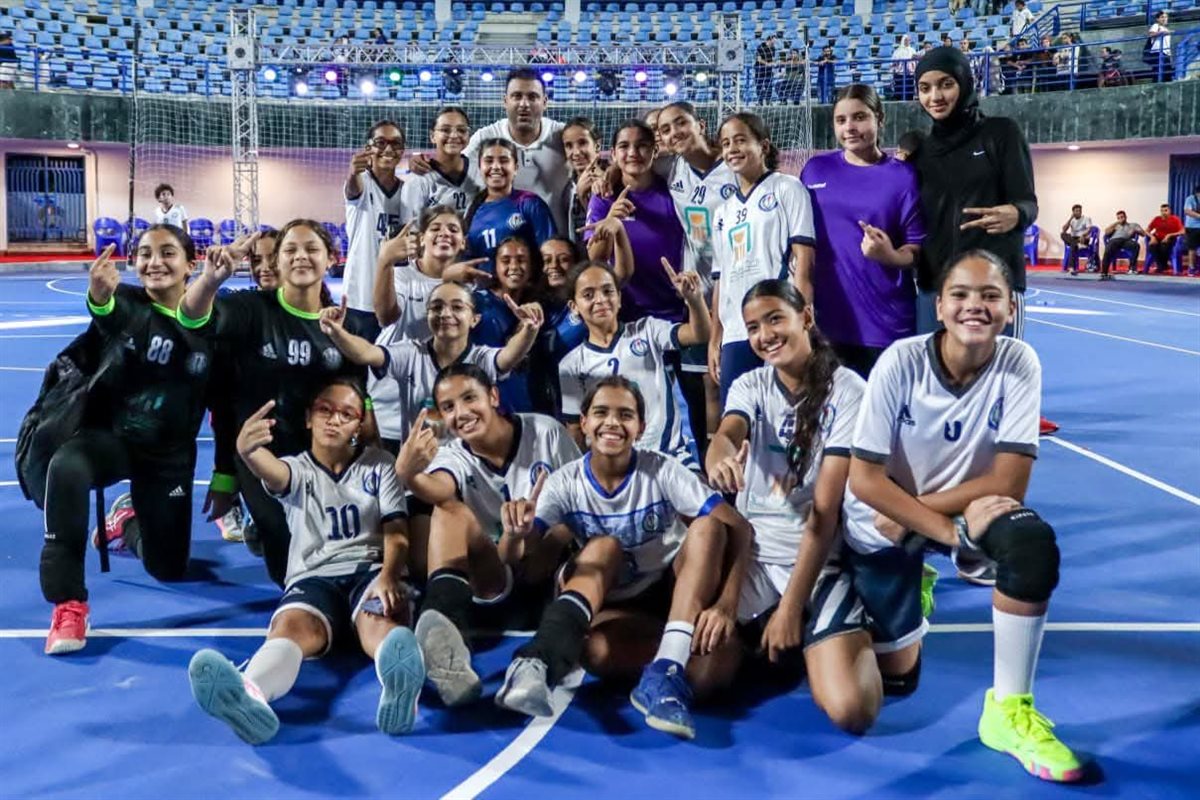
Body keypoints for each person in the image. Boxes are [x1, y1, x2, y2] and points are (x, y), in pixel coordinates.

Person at [848, 250, 1083, 783]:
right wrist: (945, 533)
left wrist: (931, 521)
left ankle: (1007, 709)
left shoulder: (1020, 362)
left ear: (1010, 307)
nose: (974, 305)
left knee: (1030, 546)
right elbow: (864, 481)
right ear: (939, 307)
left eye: (990, 295)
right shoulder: (900, 361)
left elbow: (1009, 483)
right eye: (960, 294)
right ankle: (916, 573)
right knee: (892, 682)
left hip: (944, 513)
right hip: (884, 518)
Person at [708, 279, 925, 734]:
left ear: (805, 317)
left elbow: (824, 516)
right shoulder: (750, 384)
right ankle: (791, 640)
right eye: (753, 327)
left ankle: (819, 625)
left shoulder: (848, 391)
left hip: (820, 562)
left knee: (853, 709)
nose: (764, 334)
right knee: (702, 679)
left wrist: (790, 608)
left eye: (775, 319)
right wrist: (719, 456)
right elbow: (728, 432)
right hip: (755, 560)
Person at [494, 376, 752, 741]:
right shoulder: (564, 483)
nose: (612, 422)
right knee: (604, 555)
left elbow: (739, 526)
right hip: (613, 604)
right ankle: (539, 660)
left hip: (673, 593)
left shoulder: (661, 470)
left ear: (641, 427)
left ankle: (666, 668)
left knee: (709, 529)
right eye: (601, 412)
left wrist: (726, 604)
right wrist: (513, 534)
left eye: (625, 415)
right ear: (584, 423)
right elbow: (519, 564)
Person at [188, 380, 424, 744]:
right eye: (325, 410)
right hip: (314, 577)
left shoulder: (379, 465)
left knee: (380, 622)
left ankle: (399, 681)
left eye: (347, 414)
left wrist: (391, 575)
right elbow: (270, 470)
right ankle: (251, 694)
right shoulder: (296, 469)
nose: (334, 419)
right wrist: (247, 451)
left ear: (358, 425)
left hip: (371, 571)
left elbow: (397, 533)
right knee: (290, 630)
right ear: (309, 418)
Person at [40, 228, 215, 655]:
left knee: (169, 569)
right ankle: (69, 603)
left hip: (169, 457)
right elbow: (108, 311)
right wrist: (99, 295)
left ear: (190, 265)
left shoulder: (215, 320)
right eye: (144, 254)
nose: (154, 262)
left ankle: (126, 524)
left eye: (167, 253)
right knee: (67, 466)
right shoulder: (129, 304)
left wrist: (226, 474)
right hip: (111, 440)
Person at [177, 220, 367, 587]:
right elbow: (190, 316)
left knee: (342, 551)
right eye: (290, 250)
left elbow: (362, 392)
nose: (301, 257)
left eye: (311, 249)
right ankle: (264, 527)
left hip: (322, 455)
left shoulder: (347, 324)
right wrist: (211, 281)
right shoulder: (250, 310)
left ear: (332, 258)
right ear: (278, 262)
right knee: (289, 566)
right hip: (261, 455)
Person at [395, 365, 581, 707]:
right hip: (495, 575)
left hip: (545, 572)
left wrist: (540, 534)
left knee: (561, 534)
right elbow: (438, 488)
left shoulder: (546, 432)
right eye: (448, 407)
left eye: (469, 398)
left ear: (494, 396)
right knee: (448, 510)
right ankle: (443, 628)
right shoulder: (453, 454)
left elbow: (581, 501)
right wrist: (408, 474)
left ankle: (444, 627)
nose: (461, 413)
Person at [909, 48, 1057, 441]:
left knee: (998, 388)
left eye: (945, 84)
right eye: (925, 88)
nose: (935, 96)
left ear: (965, 83)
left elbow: (1027, 201)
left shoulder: (1000, 133)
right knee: (938, 389)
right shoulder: (920, 151)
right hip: (936, 285)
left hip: (994, 282)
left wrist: (1016, 213)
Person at [802, 84, 925, 378]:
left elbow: (917, 249)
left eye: (859, 117)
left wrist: (889, 256)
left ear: (879, 119)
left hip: (886, 324)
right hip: (827, 323)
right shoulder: (815, 170)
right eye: (841, 120)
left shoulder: (903, 177)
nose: (849, 127)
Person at [559, 260, 709, 468]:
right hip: (614, 468)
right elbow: (576, 430)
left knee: (703, 488)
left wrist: (695, 301)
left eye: (607, 291)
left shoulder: (647, 330)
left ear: (619, 298)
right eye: (588, 295)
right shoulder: (571, 365)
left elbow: (699, 335)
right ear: (574, 307)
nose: (600, 300)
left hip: (670, 457)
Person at [709, 112, 815, 403]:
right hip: (736, 330)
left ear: (763, 146)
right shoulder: (722, 213)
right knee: (738, 413)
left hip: (780, 321)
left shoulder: (787, 188)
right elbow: (721, 280)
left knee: (787, 412)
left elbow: (804, 261)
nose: (732, 149)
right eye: (726, 143)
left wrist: (803, 321)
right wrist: (715, 337)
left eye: (740, 140)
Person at [414, 69, 568, 234]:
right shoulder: (486, 137)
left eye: (532, 97)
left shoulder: (562, 136)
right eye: (517, 96)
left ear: (545, 101)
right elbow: (454, 168)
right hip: (502, 243)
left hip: (555, 242)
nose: (524, 104)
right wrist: (423, 164)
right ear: (505, 101)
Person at [342, 120, 406, 340]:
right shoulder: (362, 182)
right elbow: (353, 190)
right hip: (359, 299)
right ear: (368, 147)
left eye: (395, 143)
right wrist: (352, 173)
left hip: (395, 300)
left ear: (402, 150)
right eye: (380, 142)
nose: (388, 149)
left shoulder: (409, 191)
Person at [464, 138, 558, 273]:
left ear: (516, 168)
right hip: (483, 286)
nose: (496, 167)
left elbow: (550, 252)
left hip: (526, 285)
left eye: (504, 160)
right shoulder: (473, 212)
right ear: (480, 167)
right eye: (489, 161)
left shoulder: (530, 203)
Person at [532, 237, 589, 415]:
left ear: (576, 263)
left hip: (591, 397)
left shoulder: (587, 301)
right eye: (546, 260)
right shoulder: (529, 307)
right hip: (551, 404)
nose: (554, 266)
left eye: (563, 259)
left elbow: (622, 275)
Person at [400, 107, 481, 222]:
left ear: (468, 136)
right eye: (445, 130)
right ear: (432, 136)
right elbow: (410, 228)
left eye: (461, 130)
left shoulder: (481, 173)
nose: (454, 135)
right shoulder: (417, 181)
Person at [559, 116, 604, 244]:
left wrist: (583, 197)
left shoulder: (608, 183)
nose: (576, 152)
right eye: (569, 146)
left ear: (597, 146)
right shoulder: (568, 186)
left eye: (582, 143)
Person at [1100, 210, 1146, 279]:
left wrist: (1138, 230)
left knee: (1136, 246)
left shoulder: (1133, 225)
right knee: (1108, 249)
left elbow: (1143, 234)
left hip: (1126, 240)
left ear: (1126, 217)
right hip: (1115, 240)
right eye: (1118, 218)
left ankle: (1132, 269)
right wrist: (1116, 223)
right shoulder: (1115, 225)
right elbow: (1106, 232)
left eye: (1122, 217)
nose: (1121, 219)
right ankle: (1104, 273)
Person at [1146, 203, 1184, 274]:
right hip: (1157, 239)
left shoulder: (1175, 219)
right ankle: (1162, 266)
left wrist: (1169, 235)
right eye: (1162, 211)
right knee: (1152, 246)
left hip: (1170, 239)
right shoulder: (1157, 219)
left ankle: (1161, 266)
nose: (1163, 213)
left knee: (1164, 246)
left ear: (1170, 211)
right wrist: (1152, 237)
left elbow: (1183, 231)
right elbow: (1146, 231)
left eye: (1165, 210)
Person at [1060, 204, 1096, 275]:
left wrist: (1083, 235)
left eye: (1080, 211)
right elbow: (1064, 230)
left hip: (1083, 238)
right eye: (1076, 211)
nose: (1078, 212)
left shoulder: (1086, 218)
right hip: (1073, 238)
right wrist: (1070, 218)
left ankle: (1071, 268)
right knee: (1063, 234)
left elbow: (1089, 229)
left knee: (1073, 244)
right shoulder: (1072, 220)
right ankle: (1076, 244)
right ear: (1073, 212)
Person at [1145, 10, 1172, 82]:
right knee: (1158, 72)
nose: (1164, 19)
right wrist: (1161, 32)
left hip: (1166, 53)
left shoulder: (1166, 29)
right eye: (1162, 17)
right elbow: (1151, 34)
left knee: (1167, 74)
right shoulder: (1156, 25)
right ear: (1157, 19)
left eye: (1166, 17)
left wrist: (1170, 55)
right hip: (1158, 52)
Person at [891, 35, 917, 100]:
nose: (907, 42)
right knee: (900, 89)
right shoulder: (898, 51)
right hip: (900, 73)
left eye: (908, 40)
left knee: (909, 88)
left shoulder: (912, 50)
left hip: (909, 73)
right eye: (906, 40)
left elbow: (915, 61)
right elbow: (894, 61)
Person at [754, 34, 777, 103]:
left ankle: (768, 101)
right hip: (760, 69)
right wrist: (767, 63)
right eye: (774, 40)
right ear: (770, 40)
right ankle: (760, 101)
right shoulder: (761, 47)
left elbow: (772, 58)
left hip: (769, 70)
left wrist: (773, 63)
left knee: (769, 85)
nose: (775, 42)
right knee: (759, 85)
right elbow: (759, 59)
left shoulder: (773, 48)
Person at [1184, 183, 1200, 276]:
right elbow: (1187, 211)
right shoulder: (1190, 199)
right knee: (1192, 248)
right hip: (1192, 227)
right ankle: (1191, 268)